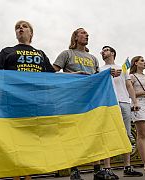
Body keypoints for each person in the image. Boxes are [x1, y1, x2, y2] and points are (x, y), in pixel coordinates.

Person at [0, 20, 55, 180]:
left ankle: (28, 176)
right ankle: (17, 177)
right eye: (18, 27)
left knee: (32, 140)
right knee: (15, 140)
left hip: (36, 102)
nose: (20, 29)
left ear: (31, 33)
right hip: (12, 101)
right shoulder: (7, 51)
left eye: (24, 26)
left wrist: (78, 75)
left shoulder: (40, 53)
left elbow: (53, 75)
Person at [53, 28, 99, 180]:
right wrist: (73, 75)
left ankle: (98, 170)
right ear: (75, 37)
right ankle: (74, 170)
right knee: (74, 134)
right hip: (72, 99)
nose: (86, 34)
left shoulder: (93, 58)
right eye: (82, 32)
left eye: (87, 33)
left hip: (91, 100)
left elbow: (98, 78)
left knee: (95, 133)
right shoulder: (67, 54)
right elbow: (52, 72)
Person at [99, 46, 143, 179]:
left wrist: (135, 102)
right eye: (102, 51)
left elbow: (129, 85)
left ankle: (127, 167)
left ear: (112, 53)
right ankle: (107, 168)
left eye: (106, 50)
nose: (103, 52)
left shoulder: (123, 68)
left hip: (124, 102)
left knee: (126, 134)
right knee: (107, 134)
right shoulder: (99, 69)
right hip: (108, 103)